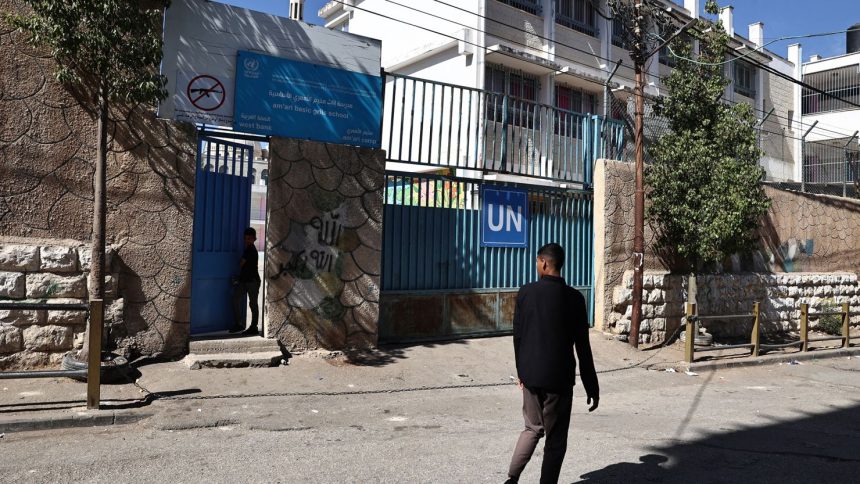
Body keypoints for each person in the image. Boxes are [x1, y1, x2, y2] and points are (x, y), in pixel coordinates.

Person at [505, 242, 599, 484]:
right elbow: (583, 347)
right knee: (555, 441)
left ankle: (511, 479)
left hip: (531, 377)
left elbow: (519, 336)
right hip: (559, 380)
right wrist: (592, 386)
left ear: (544, 263)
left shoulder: (526, 292)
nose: (537, 265)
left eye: (537, 262)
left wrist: (522, 373)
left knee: (532, 429)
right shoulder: (575, 299)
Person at [230, 227, 261, 336]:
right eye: (246, 238)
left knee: (252, 304)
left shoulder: (250, 249)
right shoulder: (248, 249)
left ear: (254, 239)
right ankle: (240, 324)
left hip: (252, 282)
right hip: (246, 281)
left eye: (249, 238)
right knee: (236, 299)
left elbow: (241, 263)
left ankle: (253, 327)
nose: (247, 240)